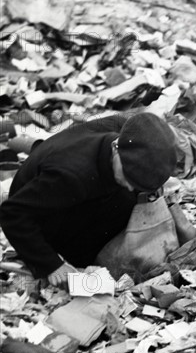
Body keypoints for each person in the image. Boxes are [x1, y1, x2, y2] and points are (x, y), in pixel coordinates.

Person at [0, 112, 177, 287]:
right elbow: (12, 214)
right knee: (125, 203)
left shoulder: (128, 131)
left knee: (133, 198)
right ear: (116, 148)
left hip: (70, 189)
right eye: (129, 177)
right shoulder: (73, 176)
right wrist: (51, 264)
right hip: (44, 221)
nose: (131, 186)